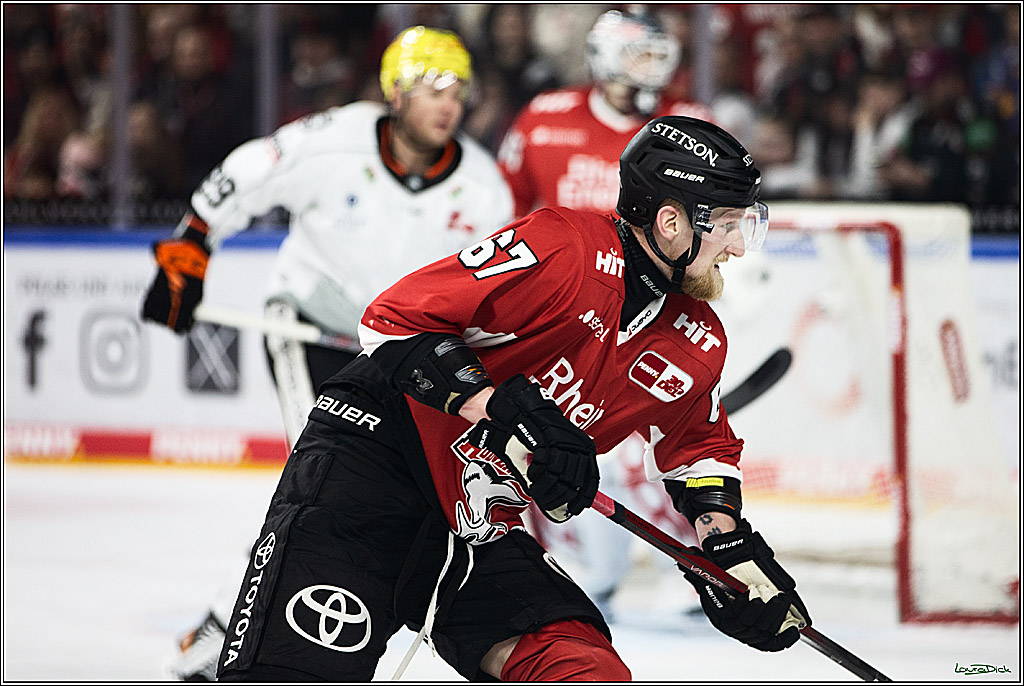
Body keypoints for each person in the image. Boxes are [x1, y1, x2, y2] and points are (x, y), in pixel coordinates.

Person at [213, 115, 811, 682]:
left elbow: (697, 449)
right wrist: (506, 411)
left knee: (584, 669)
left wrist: (728, 549)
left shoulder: (697, 338)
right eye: (729, 224)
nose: (738, 246)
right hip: (371, 471)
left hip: (476, 528)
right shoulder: (565, 248)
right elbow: (393, 321)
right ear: (672, 223)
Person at [139, 26, 514, 681]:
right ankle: (231, 632)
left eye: (458, 89)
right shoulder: (334, 139)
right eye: (432, 87)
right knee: (318, 483)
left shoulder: (483, 187)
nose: (448, 102)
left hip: (399, 358)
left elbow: (492, 297)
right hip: (307, 330)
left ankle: (229, 621)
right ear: (396, 92)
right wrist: (188, 251)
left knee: (355, 493)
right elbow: (243, 174)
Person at [496, 8, 713, 219]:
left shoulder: (691, 124)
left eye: (656, 56)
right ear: (607, 55)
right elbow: (504, 206)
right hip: (567, 252)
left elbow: (719, 209)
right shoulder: (542, 116)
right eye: (641, 56)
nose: (652, 66)